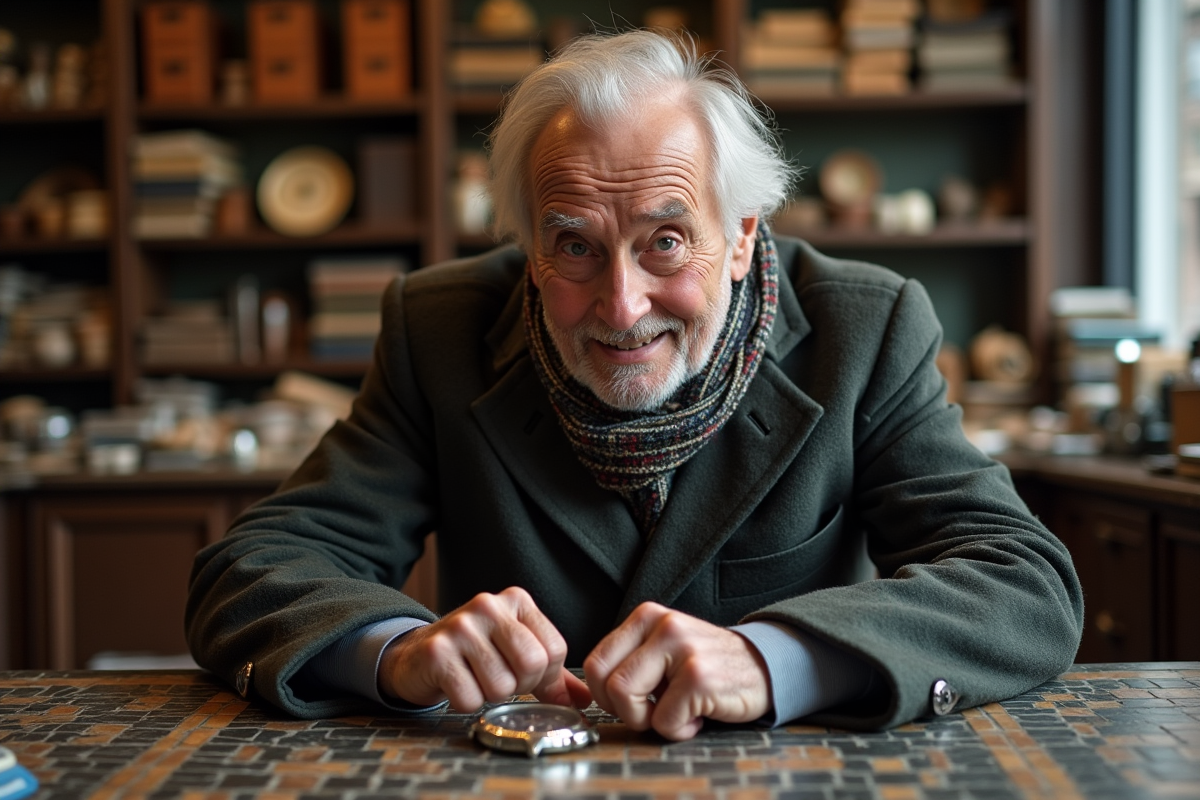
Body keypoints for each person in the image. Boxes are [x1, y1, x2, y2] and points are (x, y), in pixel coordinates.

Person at [186, 30, 1083, 740]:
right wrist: (394, 654)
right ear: (529, 249)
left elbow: (1021, 583)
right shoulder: (440, 327)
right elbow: (252, 570)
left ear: (738, 237)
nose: (621, 305)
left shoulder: (866, 328)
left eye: (665, 240)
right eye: (573, 243)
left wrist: (771, 660)